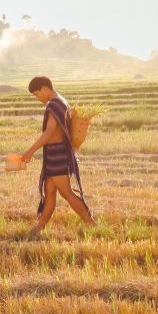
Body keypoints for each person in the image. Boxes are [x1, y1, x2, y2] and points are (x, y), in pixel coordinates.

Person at [20, 76, 95, 233]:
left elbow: (49, 132)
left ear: (45, 89)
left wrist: (30, 151)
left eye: (36, 94)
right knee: (50, 192)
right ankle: (38, 228)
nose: (37, 98)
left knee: (66, 193)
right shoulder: (62, 101)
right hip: (57, 154)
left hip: (57, 154)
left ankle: (92, 224)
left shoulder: (54, 104)